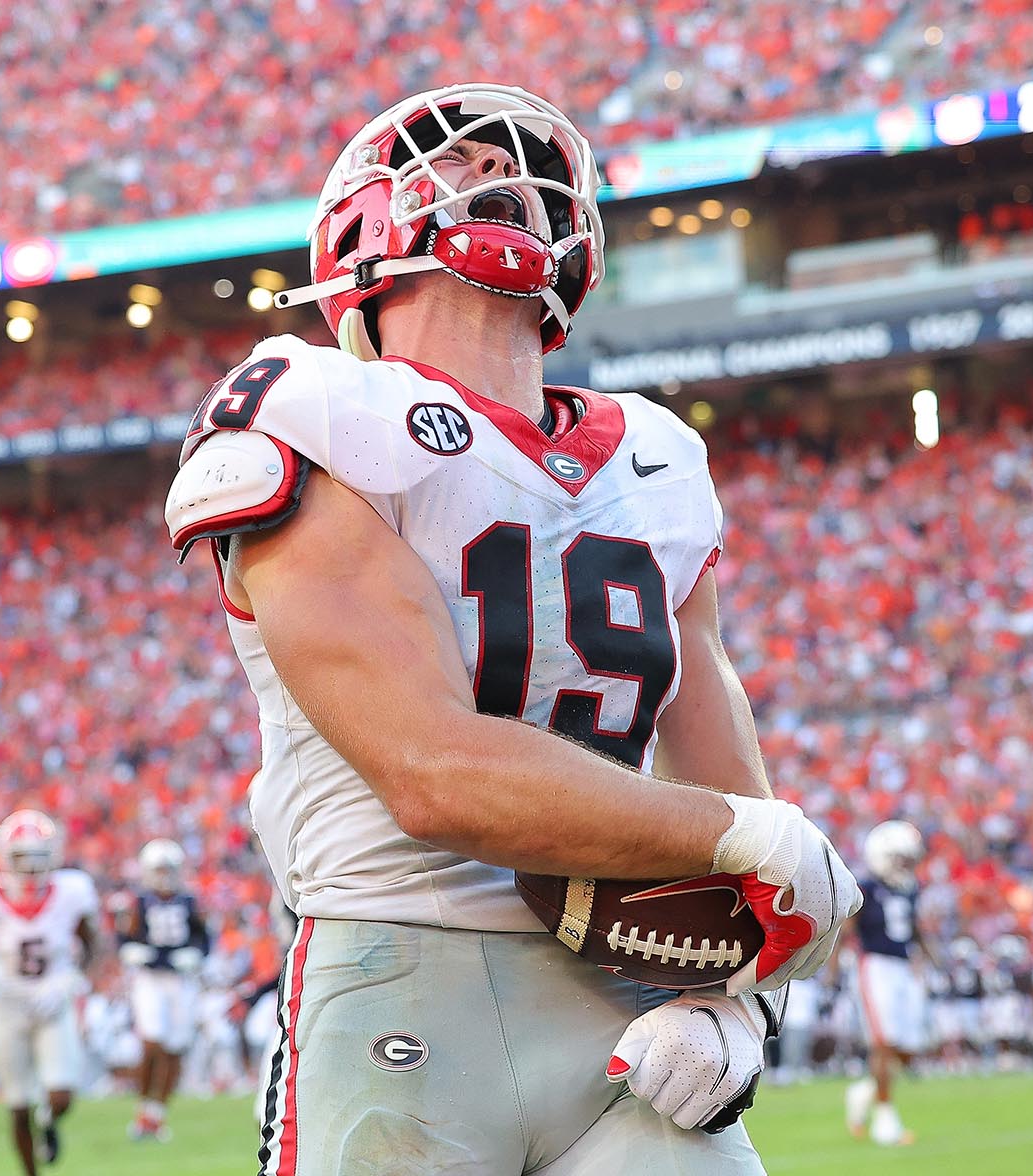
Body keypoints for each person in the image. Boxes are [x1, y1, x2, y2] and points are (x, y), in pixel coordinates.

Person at [164, 82, 860, 1175]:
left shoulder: (659, 459)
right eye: (456, 163)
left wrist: (734, 997)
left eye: (515, 164)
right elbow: (431, 772)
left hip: (628, 1004)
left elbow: (720, 768)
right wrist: (743, 840)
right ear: (359, 232)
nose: (496, 176)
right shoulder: (316, 405)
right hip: (402, 982)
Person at [0, 810, 100, 1176]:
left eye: (39, 855)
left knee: (62, 1094)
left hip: (53, 997)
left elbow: (90, 944)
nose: (31, 866)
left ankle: (50, 1120)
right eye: (22, 856)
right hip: (9, 1003)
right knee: (17, 1103)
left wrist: (72, 978)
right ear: (5, 856)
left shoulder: (72, 891)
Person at [116, 837, 210, 1142]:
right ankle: (144, 1106)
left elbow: (203, 938)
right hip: (150, 979)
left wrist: (196, 954)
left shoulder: (189, 901)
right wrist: (131, 950)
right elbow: (124, 938)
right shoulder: (139, 901)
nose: (164, 876)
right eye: (159, 870)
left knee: (175, 1047)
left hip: (180, 981)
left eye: (169, 869)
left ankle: (156, 1116)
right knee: (152, 1042)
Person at [842, 820, 927, 1146]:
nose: (906, 864)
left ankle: (864, 1092)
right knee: (882, 1042)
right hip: (874, 966)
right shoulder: (865, 887)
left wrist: (929, 958)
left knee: (907, 1050)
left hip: (905, 968)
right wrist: (835, 971)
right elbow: (849, 930)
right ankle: (886, 1121)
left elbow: (914, 928)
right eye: (900, 857)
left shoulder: (909, 888)